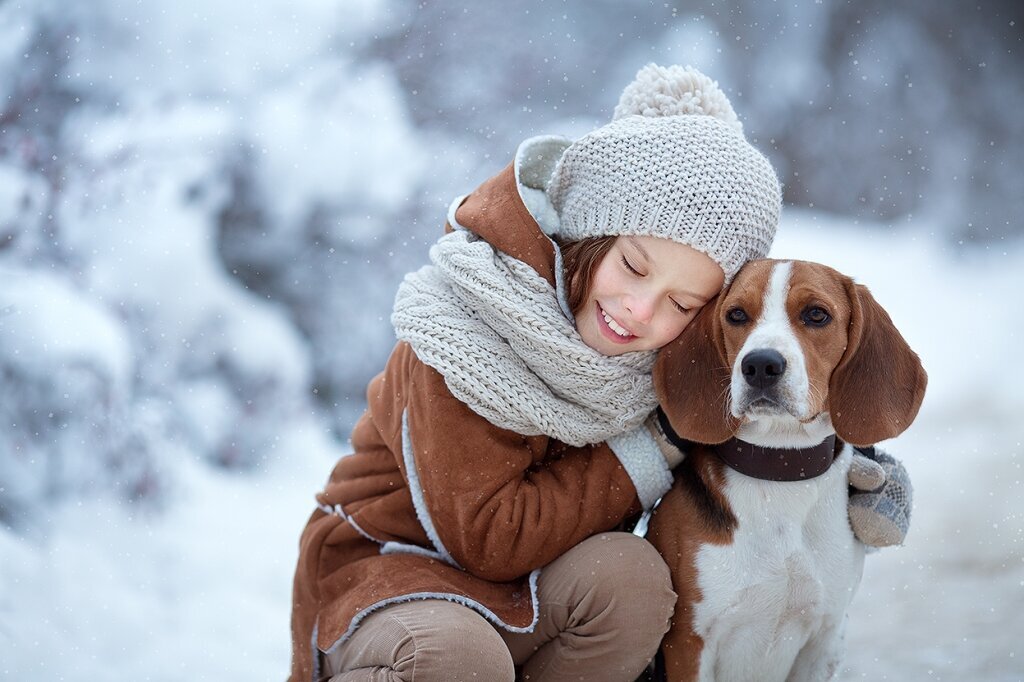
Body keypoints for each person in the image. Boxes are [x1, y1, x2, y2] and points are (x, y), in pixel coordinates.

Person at [288, 64, 912, 682]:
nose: (640, 310)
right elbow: (486, 539)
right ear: (594, 233)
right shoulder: (460, 332)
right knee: (456, 661)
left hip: (528, 586)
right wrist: (656, 445)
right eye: (635, 267)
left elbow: (724, 416)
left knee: (634, 583)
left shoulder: (649, 355)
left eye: (681, 303)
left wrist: (836, 470)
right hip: (388, 575)